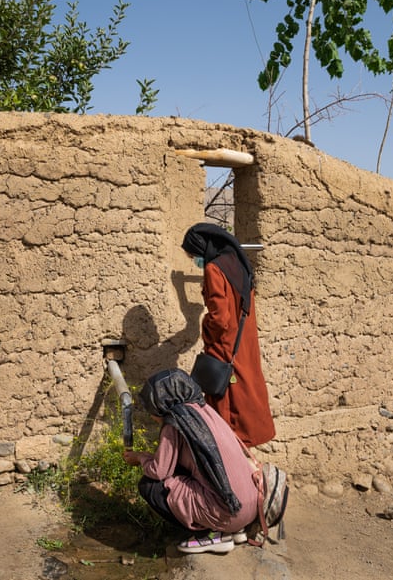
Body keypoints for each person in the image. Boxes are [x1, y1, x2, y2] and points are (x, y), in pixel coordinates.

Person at [122, 368, 259, 554]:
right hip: (249, 509)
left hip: (228, 513)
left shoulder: (175, 422)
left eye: (152, 409)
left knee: (150, 486)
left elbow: (159, 471)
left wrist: (140, 457)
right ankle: (234, 529)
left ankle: (212, 536)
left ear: (161, 404)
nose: (151, 415)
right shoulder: (205, 410)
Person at [181, 223, 275, 447]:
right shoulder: (239, 266)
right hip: (244, 344)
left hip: (225, 347)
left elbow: (220, 318)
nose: (195, 260)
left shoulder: (214, 269)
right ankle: (245, 453)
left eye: (193, 255)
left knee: (226, 405)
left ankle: (232, 460)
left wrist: (205, 327)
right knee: (246, 396)